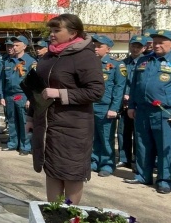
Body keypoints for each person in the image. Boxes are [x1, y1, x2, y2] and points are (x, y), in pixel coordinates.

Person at [26, 14, 104, 204]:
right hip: (47, 123)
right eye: (50, 31)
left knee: (71, 172)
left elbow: (96, 91)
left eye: (56, 31)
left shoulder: (85, 56)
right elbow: (38, 90)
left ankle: (69, 216)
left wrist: (61, 93)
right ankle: (53, 213)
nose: (51, 35)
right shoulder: (49, 57)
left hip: (72, 126)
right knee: (51, 168)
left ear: (73, 33)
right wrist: (30, 117)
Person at [125, 30, 171, 194]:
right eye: (155, 42)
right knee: (143, 144)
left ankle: (165, 180)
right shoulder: (144, 60)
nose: (156, 45)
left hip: (166, 112)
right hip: (143, 110)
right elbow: (135, 85)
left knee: (166, 146)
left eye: (161, 42)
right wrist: (131, 105)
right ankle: (143, 175)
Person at [91, 35, 126, 177]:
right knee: (92, 136)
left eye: (99, 46)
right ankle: (94, 160)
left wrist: (114, 108)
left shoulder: (117, 65)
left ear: (108, 49)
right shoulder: (90, 63)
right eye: (94, 45)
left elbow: (119, 88)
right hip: (90, 105)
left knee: (106, 137)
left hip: (106, 107)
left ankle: (107, 163)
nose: (95, 48)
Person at [0, 35, 36, 155]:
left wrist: (31, 98)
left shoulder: (31, 62)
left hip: (23, 95)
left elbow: (35, 83)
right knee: (12, 120)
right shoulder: (8, 61)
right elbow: (2, 80)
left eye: (17, 45)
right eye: (13, 45)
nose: (14, 47)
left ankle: (25, 146)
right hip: (10, 95)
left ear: (24, 46)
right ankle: (13, 143)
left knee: (24, 121)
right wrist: (2, 96)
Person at [117, 35, 150, 170]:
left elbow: (143, 85)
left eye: (139, 46)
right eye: (133, 46)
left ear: (144, 48)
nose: (135, 49)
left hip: (137, 103)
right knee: (123, 131)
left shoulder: (147, 63)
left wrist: (132, 97)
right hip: (123, 103)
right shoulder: (123, 63)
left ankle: (138, 159)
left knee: (139, 133)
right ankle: (124, 158)